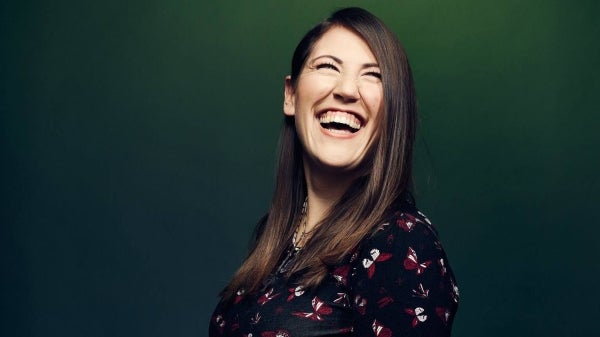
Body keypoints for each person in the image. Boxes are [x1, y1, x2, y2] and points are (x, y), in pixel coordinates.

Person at [209, 7, 459, 337]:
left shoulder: (400, 242)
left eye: (374, 75)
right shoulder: (276, 236)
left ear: (393, 112)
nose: (346, 90)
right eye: (328, 66)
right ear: (290, 95)